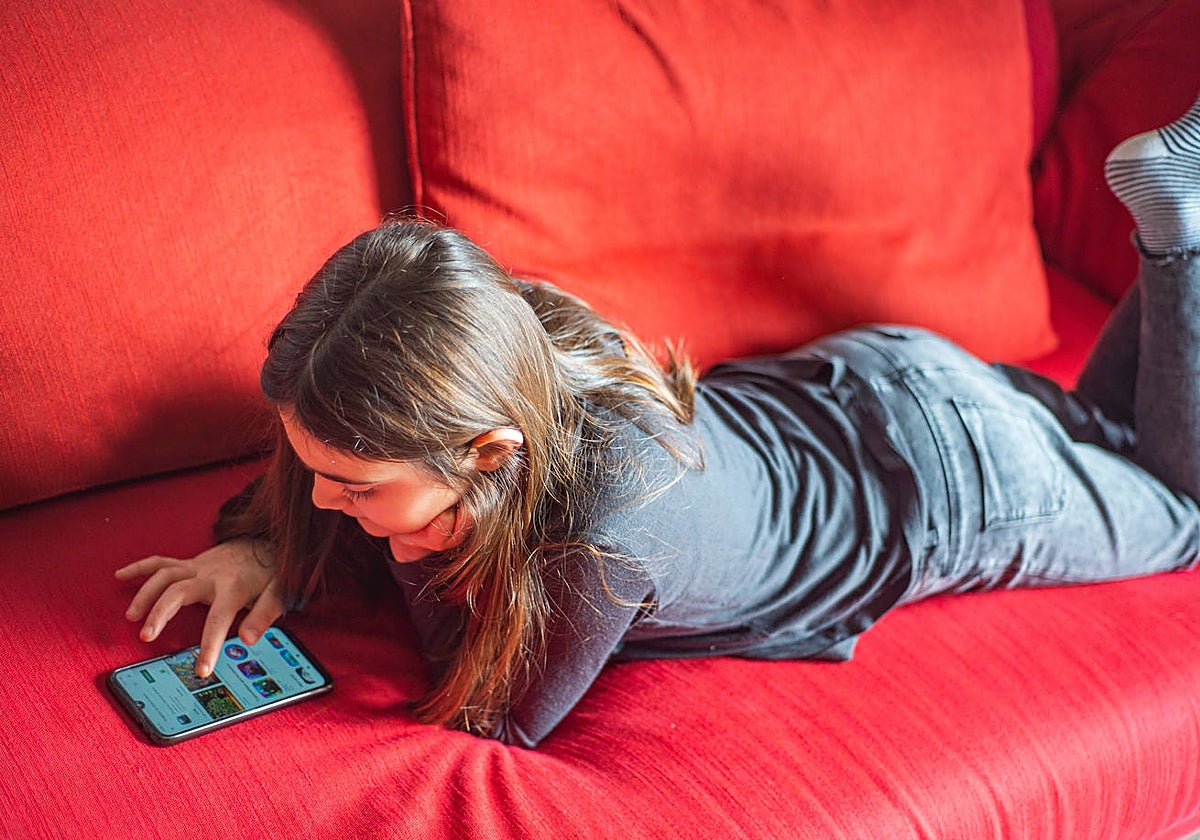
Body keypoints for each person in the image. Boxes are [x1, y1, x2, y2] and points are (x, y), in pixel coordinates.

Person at [117, 96, 1200, 748]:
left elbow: (490, 706)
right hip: (882, 376)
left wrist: (399, 551)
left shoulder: (601, 535)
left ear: (490, 454)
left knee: (1183, 509)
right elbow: (341, 474)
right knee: (1107, 431)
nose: (323, 500)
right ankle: (1174, 209)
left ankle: (1174, 241)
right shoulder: (509, 343)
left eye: (353, 486)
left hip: (955, 484)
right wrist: (260, 538)